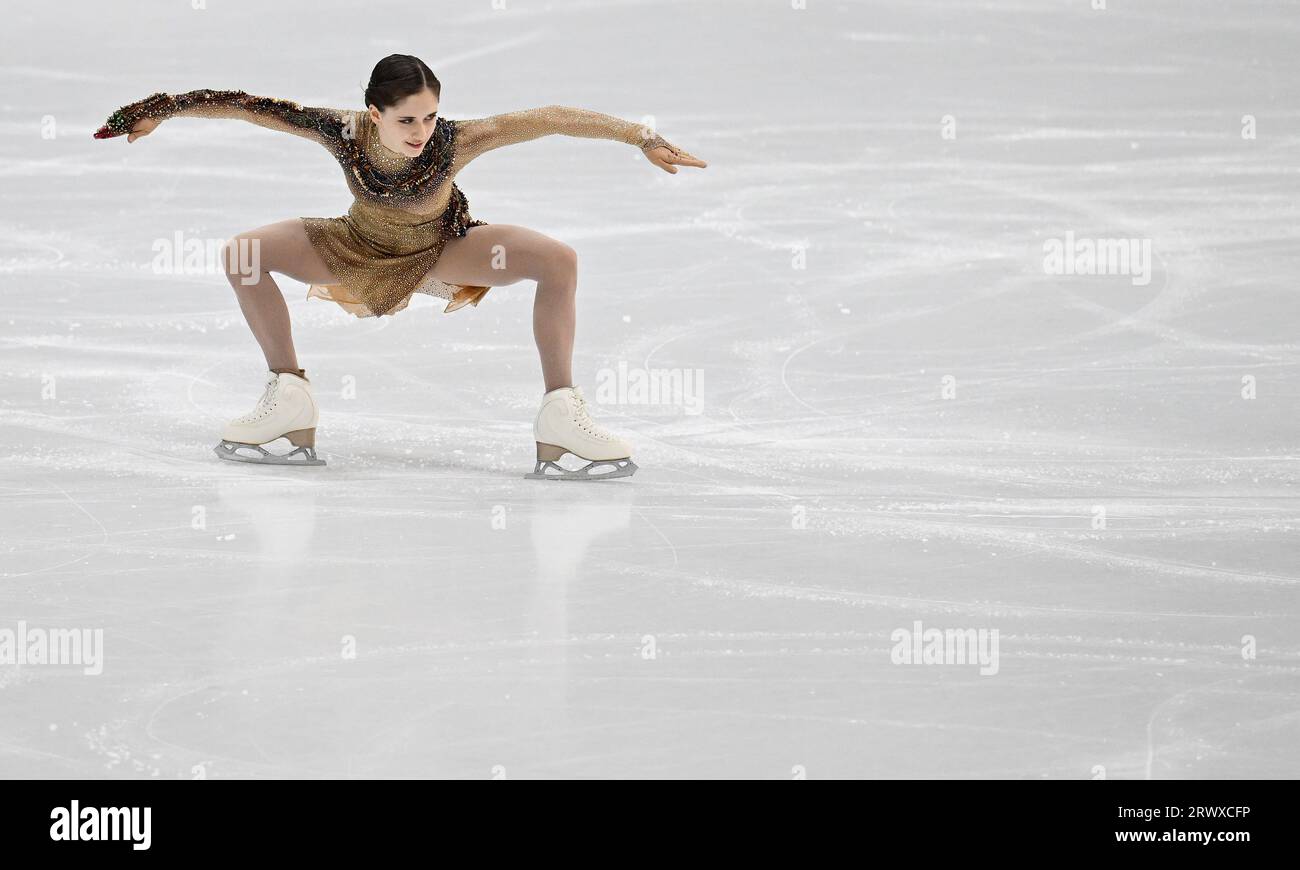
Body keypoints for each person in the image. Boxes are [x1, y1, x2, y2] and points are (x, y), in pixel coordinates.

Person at [94, 54, 707, 479]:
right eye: (406, 119)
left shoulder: (457, 140)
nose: (421, 131)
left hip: (440, 249)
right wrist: (165, 108)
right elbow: (252, 107)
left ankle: (561, 415)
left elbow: (547, 118)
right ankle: (289, 396)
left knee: (558, 262)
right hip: (356, 245)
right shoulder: (342, 130)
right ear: (374, 111)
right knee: (243, 255)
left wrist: (639, 137)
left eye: (430, 116)